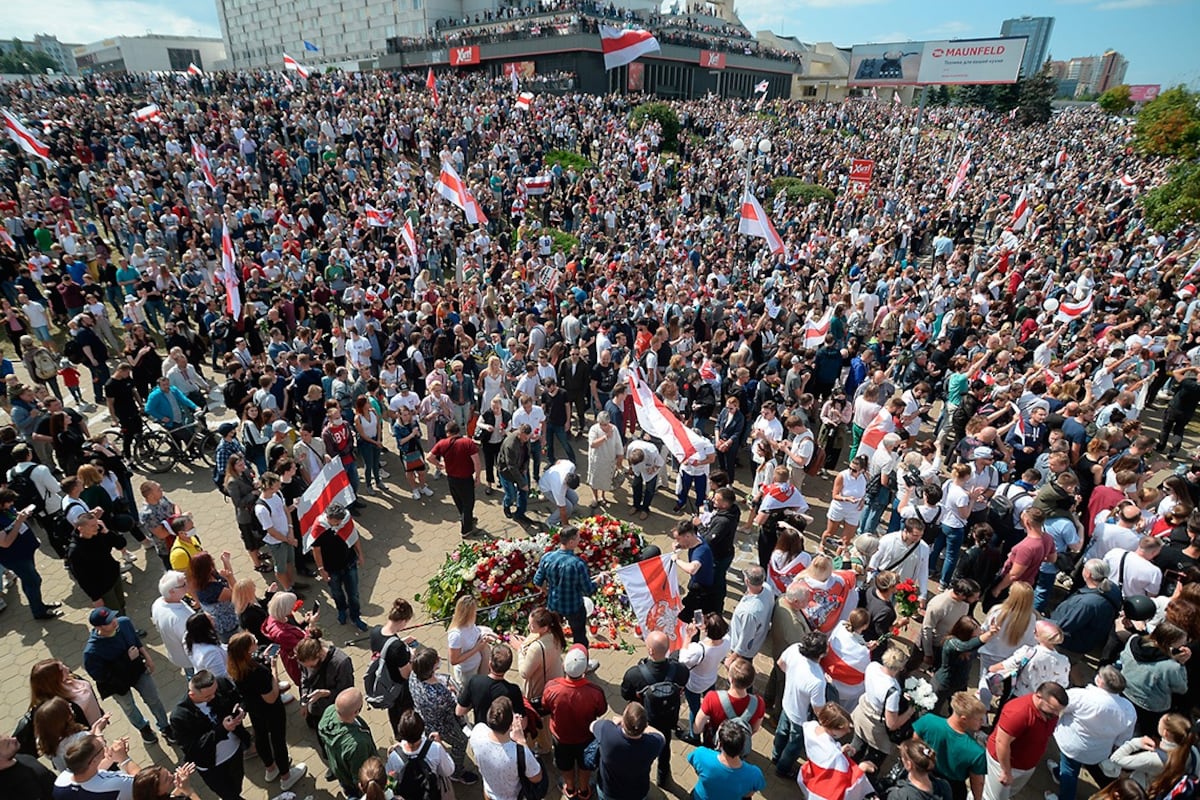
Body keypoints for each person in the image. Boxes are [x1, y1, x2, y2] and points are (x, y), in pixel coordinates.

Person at [82, 607, 174, 746]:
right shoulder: (91, 652)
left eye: (113, 617)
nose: (114, 621)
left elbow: (135, 640)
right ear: (99, 627)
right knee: (129, 707)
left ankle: (165, 726)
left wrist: (147, 657)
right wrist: (126, 659)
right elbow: (100, 676)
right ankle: (143, 728)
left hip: (138, 671)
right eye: (109, 622)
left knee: (153, 699)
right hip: (118, 684)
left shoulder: (124, 623)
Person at [225, 632, 305, 791]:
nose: (257, 641)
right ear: (248, 650)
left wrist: (262, 659)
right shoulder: (259, 672)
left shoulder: (236, 667)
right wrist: (273, 669)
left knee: (260, 736)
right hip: (271, 710)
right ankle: (286, 777)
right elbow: (272, 697)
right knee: (278, 740)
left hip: (254, 709)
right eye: (254, 641)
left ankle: (270, 769)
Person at [1051, 666, 1137, 800]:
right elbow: (1123, 739)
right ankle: (1058, 772)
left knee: (1070, 771)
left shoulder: (1081, 695)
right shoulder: (1129, 709)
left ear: (1101, 682)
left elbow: (1060, 707)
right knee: (1070, 764)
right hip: (1099, 751)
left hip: (1073, 744)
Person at [619, 630, 690, 787]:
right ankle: (663, 777)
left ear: (650, 651)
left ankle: (640, 776)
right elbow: (684, 682)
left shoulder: (634, 674)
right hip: (668, 718)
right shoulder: (680, 669)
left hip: (644, 720)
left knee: (639, 749)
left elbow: (625, 694)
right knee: (664, 748)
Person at [540, 644, 608, 800]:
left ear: (564, 666)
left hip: (561, 737)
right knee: (585, 764)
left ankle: (569, 788)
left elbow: (545, 706)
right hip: (586, 737)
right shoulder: (595, 691)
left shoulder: (551, 688)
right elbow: (601, 710)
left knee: (565, 764)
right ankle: (584, 790)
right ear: (585, 671)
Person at [168, 670, 249, 800]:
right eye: (208, 696)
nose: (214, 696)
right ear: (192, 694)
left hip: (235, 751)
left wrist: (241, 709)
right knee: (230, 796)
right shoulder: (180, 717)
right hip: (213, 766)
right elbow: (193, 749)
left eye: (215, 692)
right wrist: (222, 729)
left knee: (237, 786)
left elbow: (240, 698)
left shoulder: (221, 685)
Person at [982, 682, 1068, 800]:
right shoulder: (1018, 712)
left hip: (1026, 766)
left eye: (1059, 711)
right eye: (1053, 709)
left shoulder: (1050, 714)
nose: (1056, 714)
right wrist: (1006, 772)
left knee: (1009, 792)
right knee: (992, 797)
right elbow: (1002, 742)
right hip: (1004, 765)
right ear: (1039, 697)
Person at [408, 647, 478, 785]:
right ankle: (456, 773)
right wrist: (454, 693)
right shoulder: (440, 693)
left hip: (424, 719)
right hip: (444, 724)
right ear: (430, 669)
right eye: (436, 660)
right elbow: (457, 709)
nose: (440, 659)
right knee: (461, 742)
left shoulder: (413, 676)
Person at [773, 630, 830, 779]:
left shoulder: (794, 649)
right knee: (793, 746)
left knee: (781, 733)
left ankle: (775, 756)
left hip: (787, 703)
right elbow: (818, 709)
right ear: (821, 654)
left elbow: (780, 663)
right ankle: (782, 769)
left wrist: (793, 677)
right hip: (801, 718)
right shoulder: (818, 680)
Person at [913, 691, 988, 800]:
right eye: (979, 719)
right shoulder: (976, 752)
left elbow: (914, 747)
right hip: (953, 789)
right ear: (964, 719)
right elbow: (977, 782)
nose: (983, 722)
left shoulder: (927, 721)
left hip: (924, 777)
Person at [1119, 622, 1191, 735]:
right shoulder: (1171, 667)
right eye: (1182, 641)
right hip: (1149, 706)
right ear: (1170, 642)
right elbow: (1181, 688)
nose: (1185, 643)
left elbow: (1123, 658)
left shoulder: (1133, 641)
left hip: (1124, 690)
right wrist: (1181, 664)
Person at [0, 488, 62, 619]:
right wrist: (18, 522)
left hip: (26, 551)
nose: (12, 504)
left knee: (28, 581)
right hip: (16, 557)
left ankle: (38, 605)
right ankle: (39, 612)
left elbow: (15, 517)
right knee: (34, 581)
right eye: (9, 502)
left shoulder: (6, 509)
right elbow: (5, 543)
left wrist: (22, 514)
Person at [533, 524, 597, 647]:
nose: (580, 540)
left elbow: (537, 581)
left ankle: (556, 652)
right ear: (571, 542)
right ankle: (579, 655)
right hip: (574, 607)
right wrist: (599, 580)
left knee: (553, 634)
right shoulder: (578, 564)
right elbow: (588, 589)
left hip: (553, 605)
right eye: (578, 538)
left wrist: (546, 591)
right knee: (579, 636)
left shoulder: (547, 557)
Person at [468, 696, 543, 800]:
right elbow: (536, 777)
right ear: (510, 724)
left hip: (489, 792)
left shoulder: (477, 731)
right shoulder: (520, 752)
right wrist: (522, 741)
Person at [308, 503, 367, 630]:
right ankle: (341, 610)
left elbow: (354, 536)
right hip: (331, 568)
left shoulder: (345, 520)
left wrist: (360, 554)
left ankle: (355, 616)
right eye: (336, 521)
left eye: (340, 520)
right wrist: (321, 569)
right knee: (337, 593)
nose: (339, 524)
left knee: (353, 594)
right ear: (328, 517)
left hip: (349, 563)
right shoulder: (319, 527)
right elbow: (316, 550)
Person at [798, 703, 875, 800]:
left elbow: (826, 753)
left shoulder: (810, 728)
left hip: (810, 776)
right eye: (845, 729)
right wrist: (862, 768)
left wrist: (839, 749)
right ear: (834, 729)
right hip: (822, 793)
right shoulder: (835, 756)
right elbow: (847, 786)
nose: (848, 731)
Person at [591, 702, 665, 800]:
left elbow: (592, 726)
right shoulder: (653, 744)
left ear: (623, 723)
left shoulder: (606, 731)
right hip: (637, 793)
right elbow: (661, 736)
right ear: (645, 725)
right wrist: (644, 728)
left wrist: (616, 723)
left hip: (609, 790)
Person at [679, 612, 731, 739]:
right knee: (710, 707)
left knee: (695, 709)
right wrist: (705, 629)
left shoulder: (698, 649)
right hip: (711, 679)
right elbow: (712, 639)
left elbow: (682, 660)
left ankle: (694, 735)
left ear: (708, 631)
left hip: (695, 684)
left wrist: (688, 637)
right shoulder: (727, 641)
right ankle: (711, 728)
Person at [1109, 712, 1193, 791]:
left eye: (1160, 721)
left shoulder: (1153, 758)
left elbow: (1115, 759)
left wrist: (1136, 743)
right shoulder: (1190, 750)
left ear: (1165, 733)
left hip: (1141, 789)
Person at [427, 420, 483, 537]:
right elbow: (477, 463)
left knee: (459, 501)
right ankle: (466, 530)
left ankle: (466, 519)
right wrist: (477, 477)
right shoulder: (468, 442)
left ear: (447, 432)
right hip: (466, 479)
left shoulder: (442, 443)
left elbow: (429, 457)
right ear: (458, 431)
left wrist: (438, 465)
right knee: (468, 504)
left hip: (451, 479)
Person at [687, 718, 767, 800]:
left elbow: (695, 766)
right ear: (743, 746)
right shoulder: (754, 774)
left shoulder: (701, 754)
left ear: (719, 744)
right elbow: (748, 794)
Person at [369, 597, 417, 735]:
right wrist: (411, 655)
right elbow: (406, 674)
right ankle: (406, 734)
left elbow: (384, 649)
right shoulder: (397, 647)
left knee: (393, 711)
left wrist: (402, 641)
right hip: (398, 688)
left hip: (384, 682)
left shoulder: (376, 631)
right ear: (403, 621)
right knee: (404, 712)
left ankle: (397, 733)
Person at [318, 688, 377, 798]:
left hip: (339, 768)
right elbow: (359, 776)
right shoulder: (358, 744)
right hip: (352, 782)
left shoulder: (329, 711)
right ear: (356, 712)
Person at [385, 710, 454, 800]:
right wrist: (440, 744)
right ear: (422, 729)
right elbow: (449, 771)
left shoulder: (394, 757)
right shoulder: (435, 748)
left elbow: (389, 782)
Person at [454, 643, 525, 726]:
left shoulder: (475, 681)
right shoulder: (513, 691)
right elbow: (523, 723)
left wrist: (474, 701)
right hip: (502, 732)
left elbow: (459, 711)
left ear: (490, 663)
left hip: (481, 729)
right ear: (508, 667)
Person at [51, 733, 139, 800]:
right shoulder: (116, 784)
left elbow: (89, 771)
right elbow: (143, 782)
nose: (105, 747)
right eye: (102, 747)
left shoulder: (60, 781)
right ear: (94, 761)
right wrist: (124, 759)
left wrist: (111, 758)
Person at [254, 471, 300, 592]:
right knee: (280, 568)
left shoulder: (278, 494)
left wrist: (290, 530)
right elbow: (271, 531)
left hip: (287, 536)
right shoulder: (261, 508)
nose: (280, 486)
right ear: (269, 487)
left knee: (290, 562)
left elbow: (286, 511)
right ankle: (288, 589)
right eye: (277, 484)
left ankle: (292, 583)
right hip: (277, 543)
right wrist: (289, 540)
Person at [727, 565, 775, 663]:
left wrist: (732, 658)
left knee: (740, 669)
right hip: (757, 638)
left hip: (743, 653)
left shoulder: (749, 613)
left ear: (747, 581)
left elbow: (745, 640)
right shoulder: (767, 588)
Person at [672, 519, 718, 617]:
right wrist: (681, 546)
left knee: (689, 616)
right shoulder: (697, 540)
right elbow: (689, 545)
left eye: (678, 539)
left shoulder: (700, 552)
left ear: (688, 536)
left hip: (702, 591)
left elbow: (692, 569)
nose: (677, 542)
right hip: (698, 584)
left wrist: (677, 560)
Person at [0, 733, 56, 800]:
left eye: (9, 737)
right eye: (8, 744)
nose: (15, 738)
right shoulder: (6, 790)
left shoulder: (22, 757)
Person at [626, 439, 664, 520]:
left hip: (650, 472)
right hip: (637, 471)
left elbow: (660, 463)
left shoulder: (652, 452)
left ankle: (645, 509)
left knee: (650, 490)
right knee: (635, 486)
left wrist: (653, 468)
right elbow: (628, 459)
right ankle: (636, 505)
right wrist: (630, 468)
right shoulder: (631, 447)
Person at [540, 457, 582, 528]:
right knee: (568, 507)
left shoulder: (571, 466)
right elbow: (562, 508)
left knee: (575, 498)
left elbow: (559, 461)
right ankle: (550, 521)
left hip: (552, 480)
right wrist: (566, 525)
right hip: (547, 488)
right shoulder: (559, 488)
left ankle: (566, 514)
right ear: (567, 484)